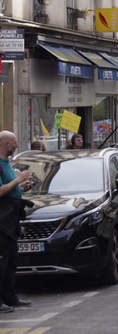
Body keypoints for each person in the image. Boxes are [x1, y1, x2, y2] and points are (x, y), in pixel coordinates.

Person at [0, 131, 33, 313]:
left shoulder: (7, 164)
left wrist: (21, 187)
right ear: (5, 144)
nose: (16, 146)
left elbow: (9, 188)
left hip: (11, 219)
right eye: (14, 142)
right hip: (2, 220)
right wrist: (18, 180)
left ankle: (10, 297)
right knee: (2, 261)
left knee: (12, 260)